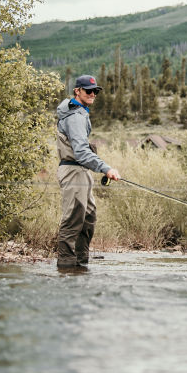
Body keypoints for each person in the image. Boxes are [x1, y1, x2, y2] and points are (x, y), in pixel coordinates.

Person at [55, 75, 120, 267]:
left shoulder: (80, 112)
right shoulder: (75, 116)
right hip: (73, 171)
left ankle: (81, 264)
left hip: (82, 171)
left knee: (88, 217)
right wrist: (106, 168)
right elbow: (81, 152)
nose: (93, 94)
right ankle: (66, 266)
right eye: (89, 90)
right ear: (77, 91)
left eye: (95, 91)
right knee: (73, 218)